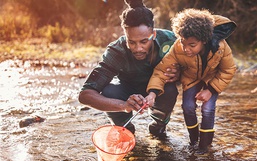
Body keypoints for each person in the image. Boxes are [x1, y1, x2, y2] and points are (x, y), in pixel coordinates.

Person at [78, 0, 180, 137]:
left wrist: (180, 73)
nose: (138, 49)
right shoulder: (116, 51)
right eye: (131, 42)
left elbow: (197, 66)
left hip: (160, 90)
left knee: (170, 89)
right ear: (125, 35)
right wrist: (123, 106)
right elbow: (85, 95)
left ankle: (158, 126)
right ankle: (126, 131)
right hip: (127, 91)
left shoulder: (171, 41)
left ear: (153, 34)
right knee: (109, 91)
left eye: (144, 41)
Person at [145, 8, 237, 155]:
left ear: (204, 40)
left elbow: (229, 70)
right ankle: (194, 142)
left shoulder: (220, 47)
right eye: (183, 42)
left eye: (192, 45)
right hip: (191, 78)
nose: (186, 49)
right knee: (187, 106)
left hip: (211, 80)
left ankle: (204, 147)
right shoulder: (178, 48)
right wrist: (153, 93)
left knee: (208, 109)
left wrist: (211, 90)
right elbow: (161, 70)